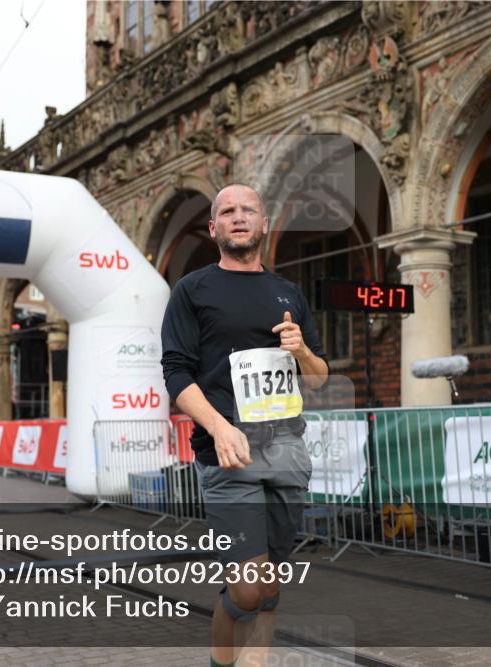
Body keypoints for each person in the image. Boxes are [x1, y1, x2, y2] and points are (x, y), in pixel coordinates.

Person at [160, 183, 329, 667]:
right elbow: (176, 372)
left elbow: (318, 380)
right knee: (249, 586)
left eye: (248, 209)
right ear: (213, 228)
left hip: (286, 449)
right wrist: (218, 427)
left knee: (272, 578)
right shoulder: (193, 290)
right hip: (228, 449)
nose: (238, 217)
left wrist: (303, 353)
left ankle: (255, 661)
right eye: (227, 211)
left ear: (263, 222)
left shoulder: (288, 293)